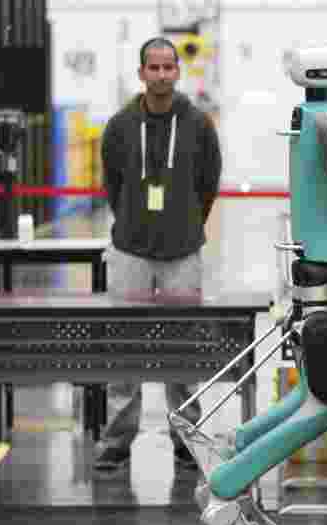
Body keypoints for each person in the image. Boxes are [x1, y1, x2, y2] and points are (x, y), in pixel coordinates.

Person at [94, 36, 222, 473]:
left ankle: (186, 437)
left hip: (182, 251)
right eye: (154, 67)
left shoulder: (199, 125)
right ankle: (116, 440)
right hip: (131, 251)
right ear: (142, 72)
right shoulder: (119, 125)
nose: (162, 74)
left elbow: (209, 183)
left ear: (177, 72)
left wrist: (185, 223)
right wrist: (132, 221)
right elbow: (113, 184)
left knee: (181, 350)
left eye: (169, 67)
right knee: (123, 350)